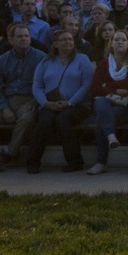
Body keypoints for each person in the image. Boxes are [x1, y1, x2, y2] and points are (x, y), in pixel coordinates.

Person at [0, 23, 44, 175]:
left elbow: (46, 84)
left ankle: (10, 152)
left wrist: (35, 101)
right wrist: (4, 107)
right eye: (19, 36)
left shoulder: (40, 58)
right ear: (11, 39)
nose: (24, 39)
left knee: (27, 119)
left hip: (28, 99)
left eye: (26, 36)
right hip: (5, 99)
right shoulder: (2, 60)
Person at [25, 29, 95, 173]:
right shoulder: (45, 62)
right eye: (63, 39)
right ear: (55, 44)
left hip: (77, 105)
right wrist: (45, 103)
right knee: (44, 122)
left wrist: (69, 103)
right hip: (50, 104)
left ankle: (75, 161)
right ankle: (32, 162)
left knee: (63, 120)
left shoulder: (82, 59)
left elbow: (87, 85)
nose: (68, 42)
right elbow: (37, 86)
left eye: (70, 39)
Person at [87, 30, 128, 175]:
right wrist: (120, 91)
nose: (120, 42)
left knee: (101, 118)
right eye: (116, 39)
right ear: (111, 44)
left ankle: (101, 162)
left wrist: (109, 87)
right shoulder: (104, 63)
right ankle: (111, 136)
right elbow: (94, 88)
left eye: (123, 40)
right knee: (100, 102)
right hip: (107, 104)